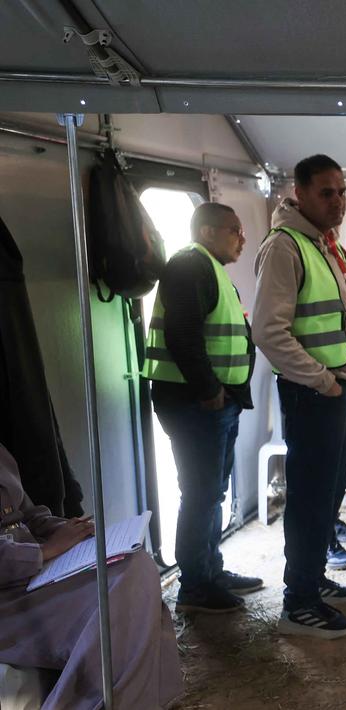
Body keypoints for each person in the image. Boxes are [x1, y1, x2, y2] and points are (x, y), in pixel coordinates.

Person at [252, 154, 346, 638]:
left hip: (343, 389)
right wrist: (322, 380)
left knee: (326, 497)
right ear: (298, 193)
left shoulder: (323, 244)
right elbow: (268, 332)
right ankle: (297, 603)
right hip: (315, 393)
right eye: (326, 192)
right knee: (307, 499)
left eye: (342, 191)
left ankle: (313, 579)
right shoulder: (286, 247)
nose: (338, 201)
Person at [142, 202, 262, 614]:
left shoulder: (211, 269)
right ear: (208, 232)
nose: (242, 238)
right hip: (195, 402)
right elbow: (183, 333)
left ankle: (210, 570)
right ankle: (195, 587)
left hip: (216, 402)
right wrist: (209, 388)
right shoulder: (190, 265)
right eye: (235, 230)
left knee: (211, 491)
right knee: (200, 492)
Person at [0, 444, 183, 709]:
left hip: (32, 577)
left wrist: (70, 529)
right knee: (120, 593)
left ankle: (125, 701)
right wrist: (46, 550)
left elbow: (28, 515)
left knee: (137, 566)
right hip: (9, 599)